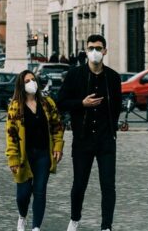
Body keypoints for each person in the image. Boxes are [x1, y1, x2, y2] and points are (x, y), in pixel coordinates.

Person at [57, 34, 122, 231]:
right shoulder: (74, 75)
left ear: (105, 51)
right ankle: (75, 219)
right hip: (83, 139)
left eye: (99, 48)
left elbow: (117, 106)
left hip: (105, 140)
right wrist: (81, 104)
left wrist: (111, 129)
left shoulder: (113, 77)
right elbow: (61, 102)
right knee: (79, 185)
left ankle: (106, 226)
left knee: (108, 185)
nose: (95, 51)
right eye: (91, 47)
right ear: (86, 51)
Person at [5, 70, 65, 231]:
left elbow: (57, 126)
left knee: (40, 191)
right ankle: (22, 216)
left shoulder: (47, 103)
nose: (31, 83)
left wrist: (58, 146)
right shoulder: (15, 107)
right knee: (22, 194)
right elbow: (11, 135)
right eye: (27, 81)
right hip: (24, 156)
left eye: (33, 79)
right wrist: (13, 159)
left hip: (43, 155)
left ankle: (36, 227)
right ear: (21, 85)